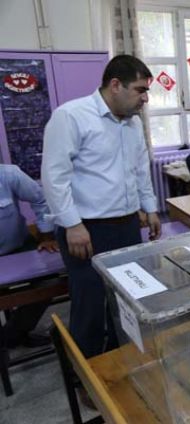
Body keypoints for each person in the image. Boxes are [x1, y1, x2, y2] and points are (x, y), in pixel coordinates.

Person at [41, 54, 161, 359]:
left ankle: (118, 361)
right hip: (87, 229)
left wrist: (150, 208)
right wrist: (72, 224)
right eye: (140, 90)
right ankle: (85, 372)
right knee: (90, 304)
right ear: (115, 85)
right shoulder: (71, 116)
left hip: (127, 225)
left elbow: (140, 170)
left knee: (125, 300)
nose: (145, 98)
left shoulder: (133, 122)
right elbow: (54, 176)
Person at [1, 164, 59, 348]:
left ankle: (13, 334)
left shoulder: (8, 174)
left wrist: (47, 236)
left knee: (50, 283)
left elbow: (40, 199)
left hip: (20, 247)